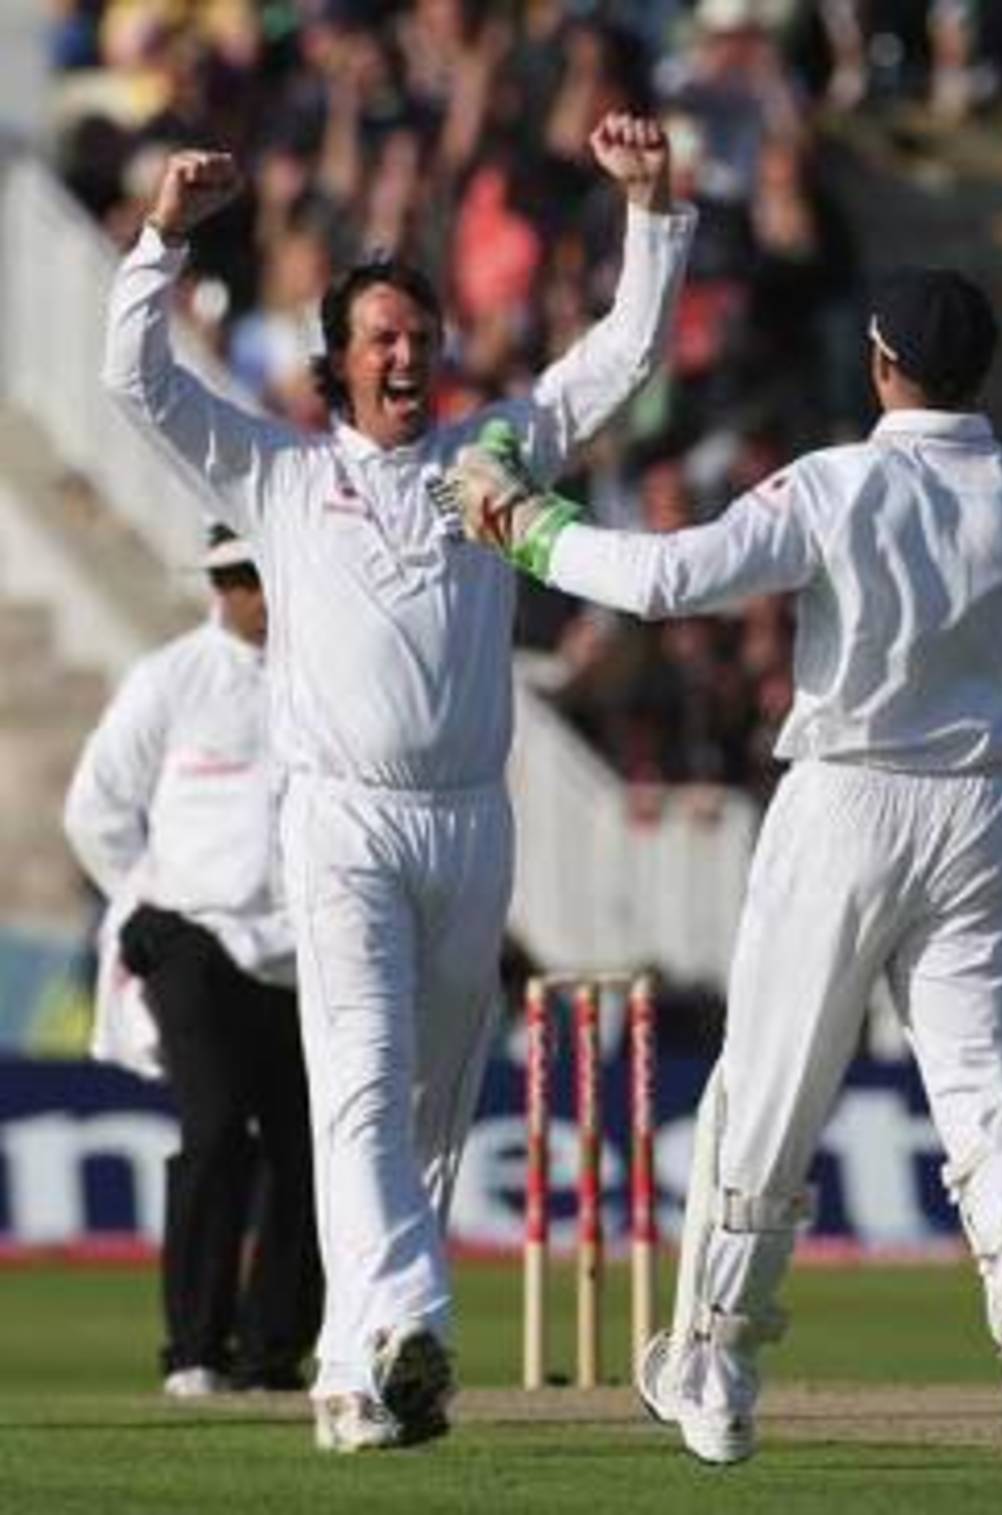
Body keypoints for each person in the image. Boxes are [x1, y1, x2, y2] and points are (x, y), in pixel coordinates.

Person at [445, 267, 1002, 1464]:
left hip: (845, 806)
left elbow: (662, 583)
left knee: (765, 1093)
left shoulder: (836, 484)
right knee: (984, 1089)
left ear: (879, 365)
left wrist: (523, 522)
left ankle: (712, 1366)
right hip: (979, 814)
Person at [101, 116, 695, 1451]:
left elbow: (624, 356)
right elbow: (136, 384)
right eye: (381, 338)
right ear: (336, 363)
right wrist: (162, 236)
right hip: (344, 819)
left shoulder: (494, 455)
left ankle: (356, 1375)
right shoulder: (281, 473)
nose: (408, 355)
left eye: (422, 337)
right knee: (360, 1083)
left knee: (425, 1111)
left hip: (471, 825)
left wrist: (651, 208)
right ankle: (414, 1309)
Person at [64, 527, 321, 1398]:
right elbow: (96, 807)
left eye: (263, 575)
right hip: (191, 932)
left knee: (306, 1148)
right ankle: (196, 1350)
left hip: (302, 942)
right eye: (236, 578)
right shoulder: (170, 677)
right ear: (218, 582)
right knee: (214, 1132)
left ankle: (272, 1350)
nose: (253, 595)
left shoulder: (324, 678)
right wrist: (143, 893)